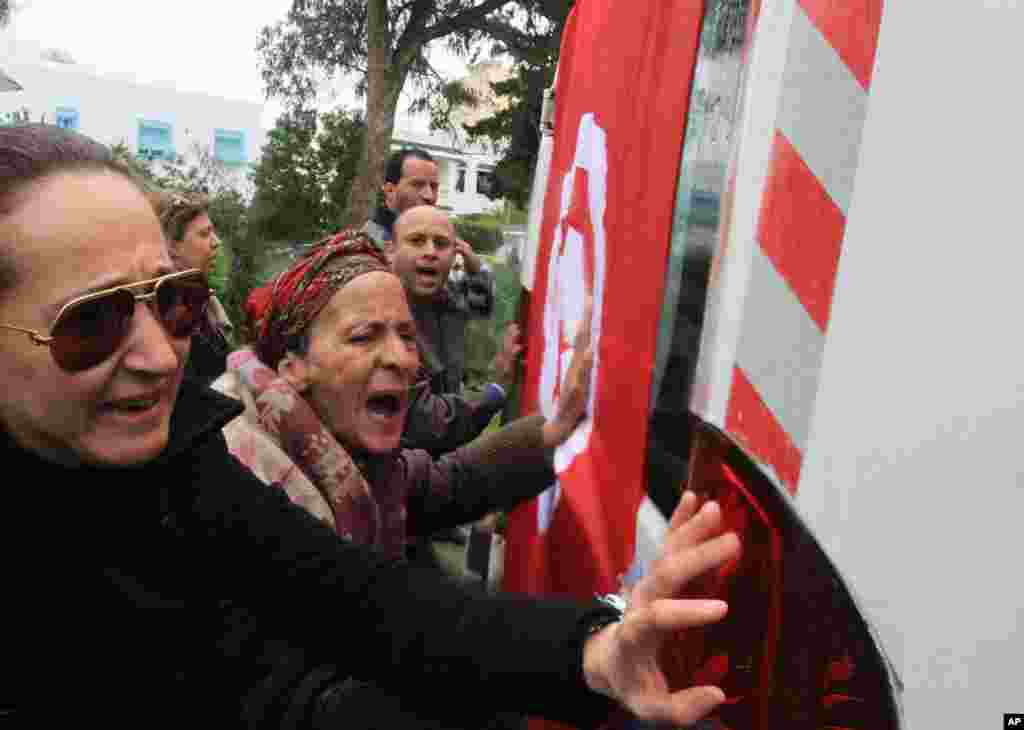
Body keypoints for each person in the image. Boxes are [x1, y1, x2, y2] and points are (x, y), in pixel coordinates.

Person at [0, 123, 740, 728]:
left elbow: (362, 600)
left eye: (173, 301)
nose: (161, 357)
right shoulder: (245, 455)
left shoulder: (185, 465)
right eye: (91, 321)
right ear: (293, 362)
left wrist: (595, 648)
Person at [152, 189, 233, 384]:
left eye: (213, 232)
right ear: (170, 244)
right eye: (205, 234)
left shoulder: (203, 301)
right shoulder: (159, 310)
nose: (216, 242)